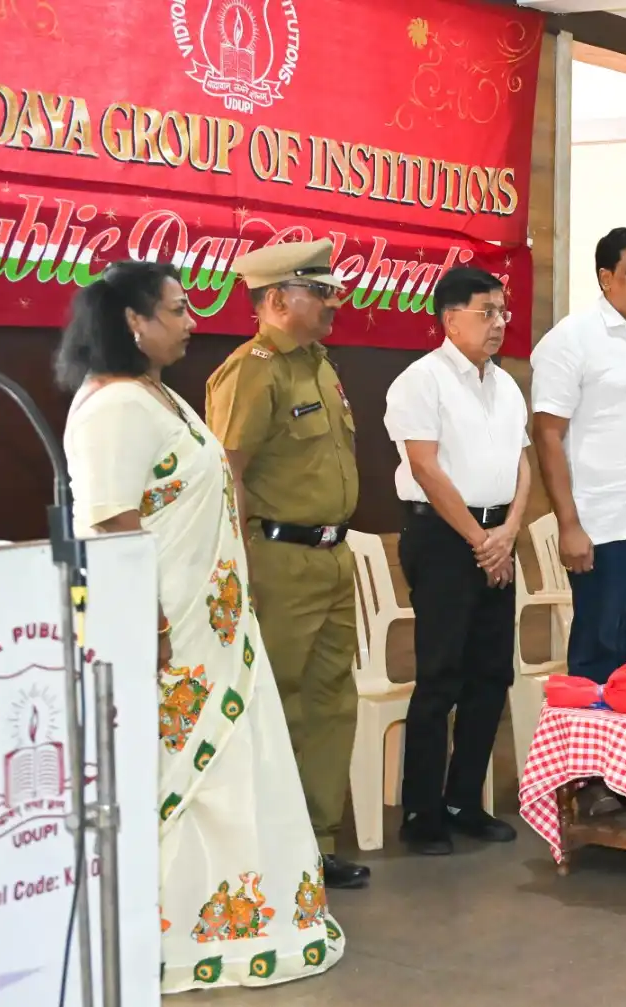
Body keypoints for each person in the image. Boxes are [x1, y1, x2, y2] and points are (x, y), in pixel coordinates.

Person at [59, 261, 344, 990]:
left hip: (210, 617)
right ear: (134, 323)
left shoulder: (154, 394)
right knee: (188, 772)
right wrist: (148, 619)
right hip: (168, 626)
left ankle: (237, 910)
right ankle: (175, 926)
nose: (194, 322)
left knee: (231, 766)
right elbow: (112, 521)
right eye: (178, 310)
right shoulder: (113, 407)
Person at [204, 240, 368, 889]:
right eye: (320, 293)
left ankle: (315, 843)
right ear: (276, 300)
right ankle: (263, 847)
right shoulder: (252, 371)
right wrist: (239, 570)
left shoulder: (321, 367)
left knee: (332, 701)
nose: (334, 304)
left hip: (332, 558)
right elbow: (228, 477)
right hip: (275, 559)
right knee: (277, 703)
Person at [384, 268, 529, 855]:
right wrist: (479, 539)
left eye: (502, 312)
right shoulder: (421, 381)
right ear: (450, 318)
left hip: (498, 536)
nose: (498, 323)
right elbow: (425, 467)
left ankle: (464, 800)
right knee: (441, 675)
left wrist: (510, 531)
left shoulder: (508, 385)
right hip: (445, 539)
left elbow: (523, 464)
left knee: (492, 672)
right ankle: (422, 811)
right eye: (486, 312)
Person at [530, 227, 626, 684]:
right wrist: (569, 524)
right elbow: (547, 435)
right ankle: (592, 755)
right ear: (606, 278)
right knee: (600, 652)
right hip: (603, 527)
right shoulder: (572, 339)